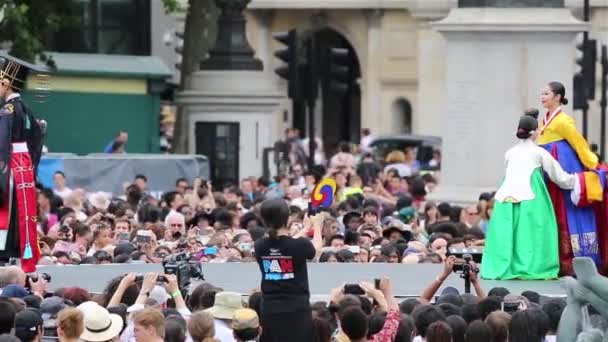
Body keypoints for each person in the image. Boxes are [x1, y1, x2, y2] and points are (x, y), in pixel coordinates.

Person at [481, 115, 576, 280]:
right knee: (533, 235)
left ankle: (504, 267)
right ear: (535, 132)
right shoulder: (540, 152)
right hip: (531, 199)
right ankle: (530, 267)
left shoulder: (509, 153)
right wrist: (579, 180)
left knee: (506, 235)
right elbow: (560, 178)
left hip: (504, 200)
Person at [537, 81, 608, 275]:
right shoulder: (544, 120)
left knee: (568, 211)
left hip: (564, 166)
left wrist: (594, 164)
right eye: (542, 94)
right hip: (549, 170)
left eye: (546, 93)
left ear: (558, 96)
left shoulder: (563, 120)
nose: (542, 97)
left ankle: (576, 259)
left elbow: (579, 144)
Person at [254, 198, 323, 342]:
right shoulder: (298, 245)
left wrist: (305, 228)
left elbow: (286, 244)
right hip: (296, 310)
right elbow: (315, 250)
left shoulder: (259, 245)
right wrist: (317, 226)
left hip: (269, 309)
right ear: (288, 218)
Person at [0, 53, 46, 271]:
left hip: (9, 164)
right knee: (21, 212)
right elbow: (38, 136)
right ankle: (18, 254)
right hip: (24, 165)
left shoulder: (8, 110)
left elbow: (2, 143)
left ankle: (4, 252)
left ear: (6, 83)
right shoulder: (26, 108)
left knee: (7, 211)